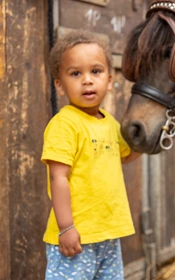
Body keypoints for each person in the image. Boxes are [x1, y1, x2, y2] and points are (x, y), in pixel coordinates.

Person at [42, 30, 141, 279]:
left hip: (107, 234)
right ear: (59, 85)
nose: (87, 80)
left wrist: (147, 139)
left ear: (109, 79)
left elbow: (125, 155)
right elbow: (58, 178)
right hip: (76, 235)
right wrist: (66, 228)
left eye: (95, 72)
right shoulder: (64, 124)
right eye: (76, 73)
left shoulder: (110, 124)